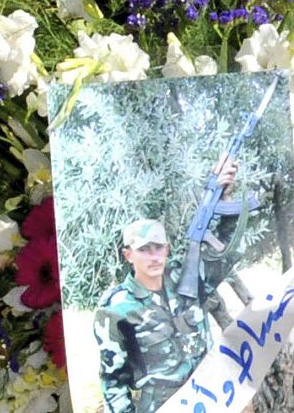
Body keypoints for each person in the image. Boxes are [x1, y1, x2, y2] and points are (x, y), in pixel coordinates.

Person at [94, 157, 243, 413]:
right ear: (128, 255)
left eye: (159, 247)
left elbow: (225, 254)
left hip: (212, 396)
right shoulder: (115, 309)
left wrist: (225, 198)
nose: (154, 257)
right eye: (144, 250)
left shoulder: (187, 278)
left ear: (168, 248)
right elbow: (113, 381)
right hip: (162, 405)